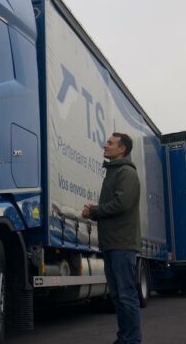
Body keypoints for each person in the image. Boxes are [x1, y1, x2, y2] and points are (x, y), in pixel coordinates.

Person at [82, 133, 142, 344]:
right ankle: (124, 338)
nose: (105, 145)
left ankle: (132, 340)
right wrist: (95, 211)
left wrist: (94, 211)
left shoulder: (126, 173)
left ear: (122, 149)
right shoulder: (115, 171)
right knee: (117, 296)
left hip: (122, 244)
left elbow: (121, 204)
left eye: (110, 143)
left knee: (126, 296)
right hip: (112, 244)